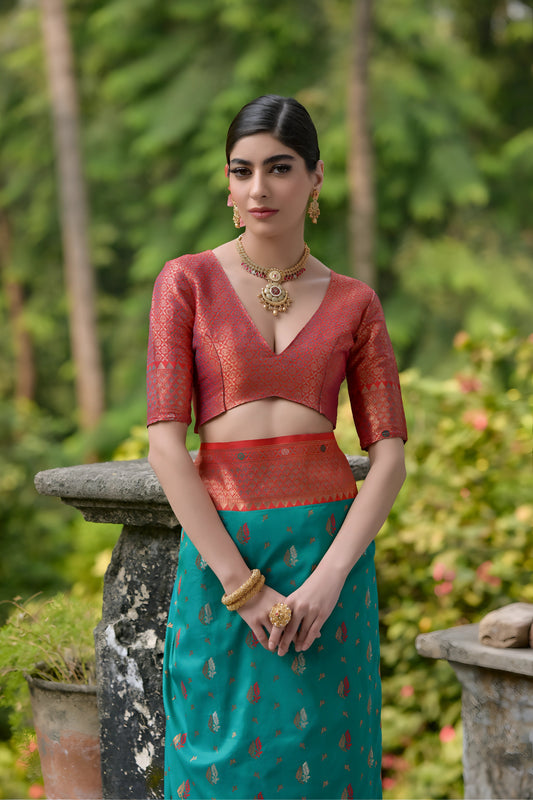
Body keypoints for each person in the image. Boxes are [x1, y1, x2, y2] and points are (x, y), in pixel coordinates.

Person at [147, 94, 407, 800]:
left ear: (315, 179)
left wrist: (328, 584)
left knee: (328, 763)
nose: (259, 187)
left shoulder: (355, 302)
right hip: (222, 559)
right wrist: (241, 587)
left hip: (327, 559)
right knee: (215, 761)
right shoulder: (186, 283)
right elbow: (167, 447)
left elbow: (388, 457)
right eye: (242, 170)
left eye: (279, 168)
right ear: (228, 185)